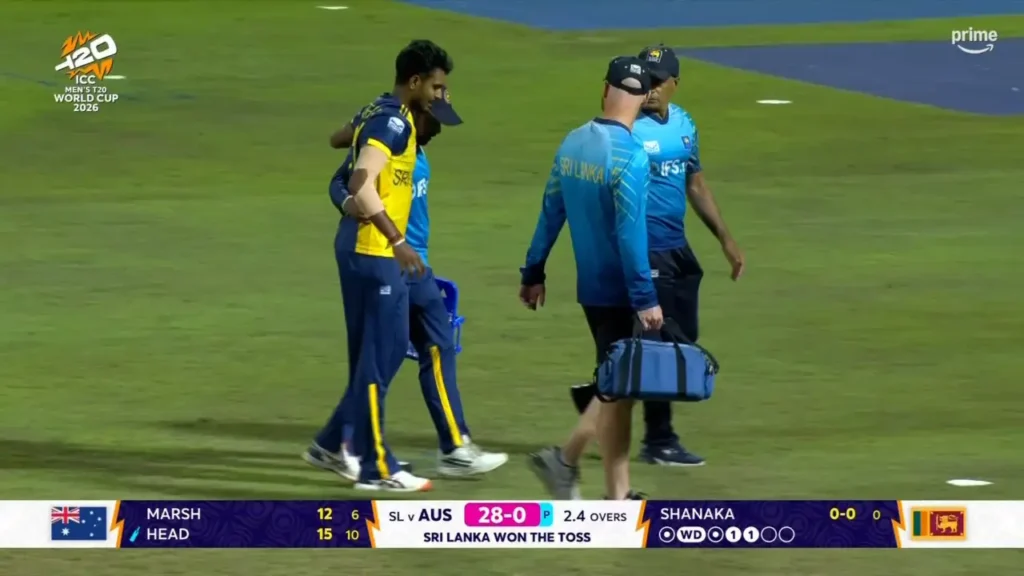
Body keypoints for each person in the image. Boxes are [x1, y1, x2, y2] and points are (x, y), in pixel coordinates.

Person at [568, 45, 745, 467]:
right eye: (644, 80)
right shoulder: (625, 129)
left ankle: (597, 397)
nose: (649, 89)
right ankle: (658, 439)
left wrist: (725, 238)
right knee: (658, 346)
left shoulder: (684, 124)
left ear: (675, 84)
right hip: (643, 250)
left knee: (682, 336)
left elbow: (695, 183)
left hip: (676, 249)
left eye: (658, 81)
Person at [323, 89, 509, 478]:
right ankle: (347, 448)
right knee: (384, 359)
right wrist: (349, 205)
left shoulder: (414, 151)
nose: (438, 131)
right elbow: (342, 180)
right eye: (436, 121)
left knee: (437, 343)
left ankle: (454, 446)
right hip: (388, 260)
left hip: (414, 263)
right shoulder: (389, 139)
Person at [304, 39, 452, 493]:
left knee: (377, 355)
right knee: (381, 356)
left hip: (359, 248)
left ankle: (333, 445)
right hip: (375, 251)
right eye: (436, 87)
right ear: (415, 81)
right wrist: (398, 240)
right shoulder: (393, 121)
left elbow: (337, 139)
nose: (441, 97)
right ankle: (376, 468)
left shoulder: (381, 111)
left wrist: (360, 133)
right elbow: (360, 182)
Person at [519, 56, 661, 500]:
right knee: (618, 385)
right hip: (622, 292)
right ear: (643, 99)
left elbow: (551, 211)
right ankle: (563, 461)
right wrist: (645, 296)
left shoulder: (573, 142)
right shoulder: (631, 157)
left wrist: (534, 271)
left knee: (620, 389)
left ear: (605, 90)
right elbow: (631, 235)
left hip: (591, 290)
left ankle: (617, 493)